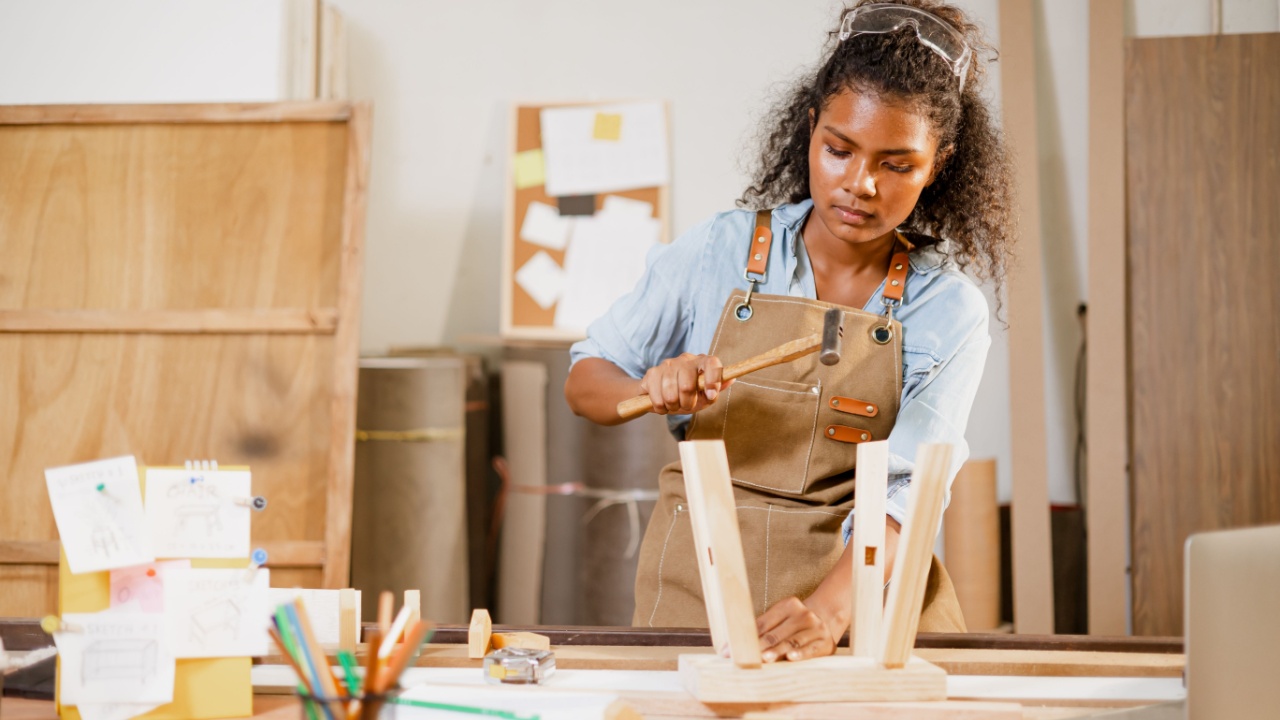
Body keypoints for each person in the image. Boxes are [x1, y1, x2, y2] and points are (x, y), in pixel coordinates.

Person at [564, 0, 1014, 662]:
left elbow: (905, 496)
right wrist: (650, 387)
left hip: (858, 599)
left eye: (896, 164)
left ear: (938, 164)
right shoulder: (717, 251)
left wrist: (831, 616)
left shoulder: (946, 309)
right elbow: (586, 380)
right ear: (810, 129)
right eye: (838, 150)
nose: (858, 184)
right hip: (700, 588)